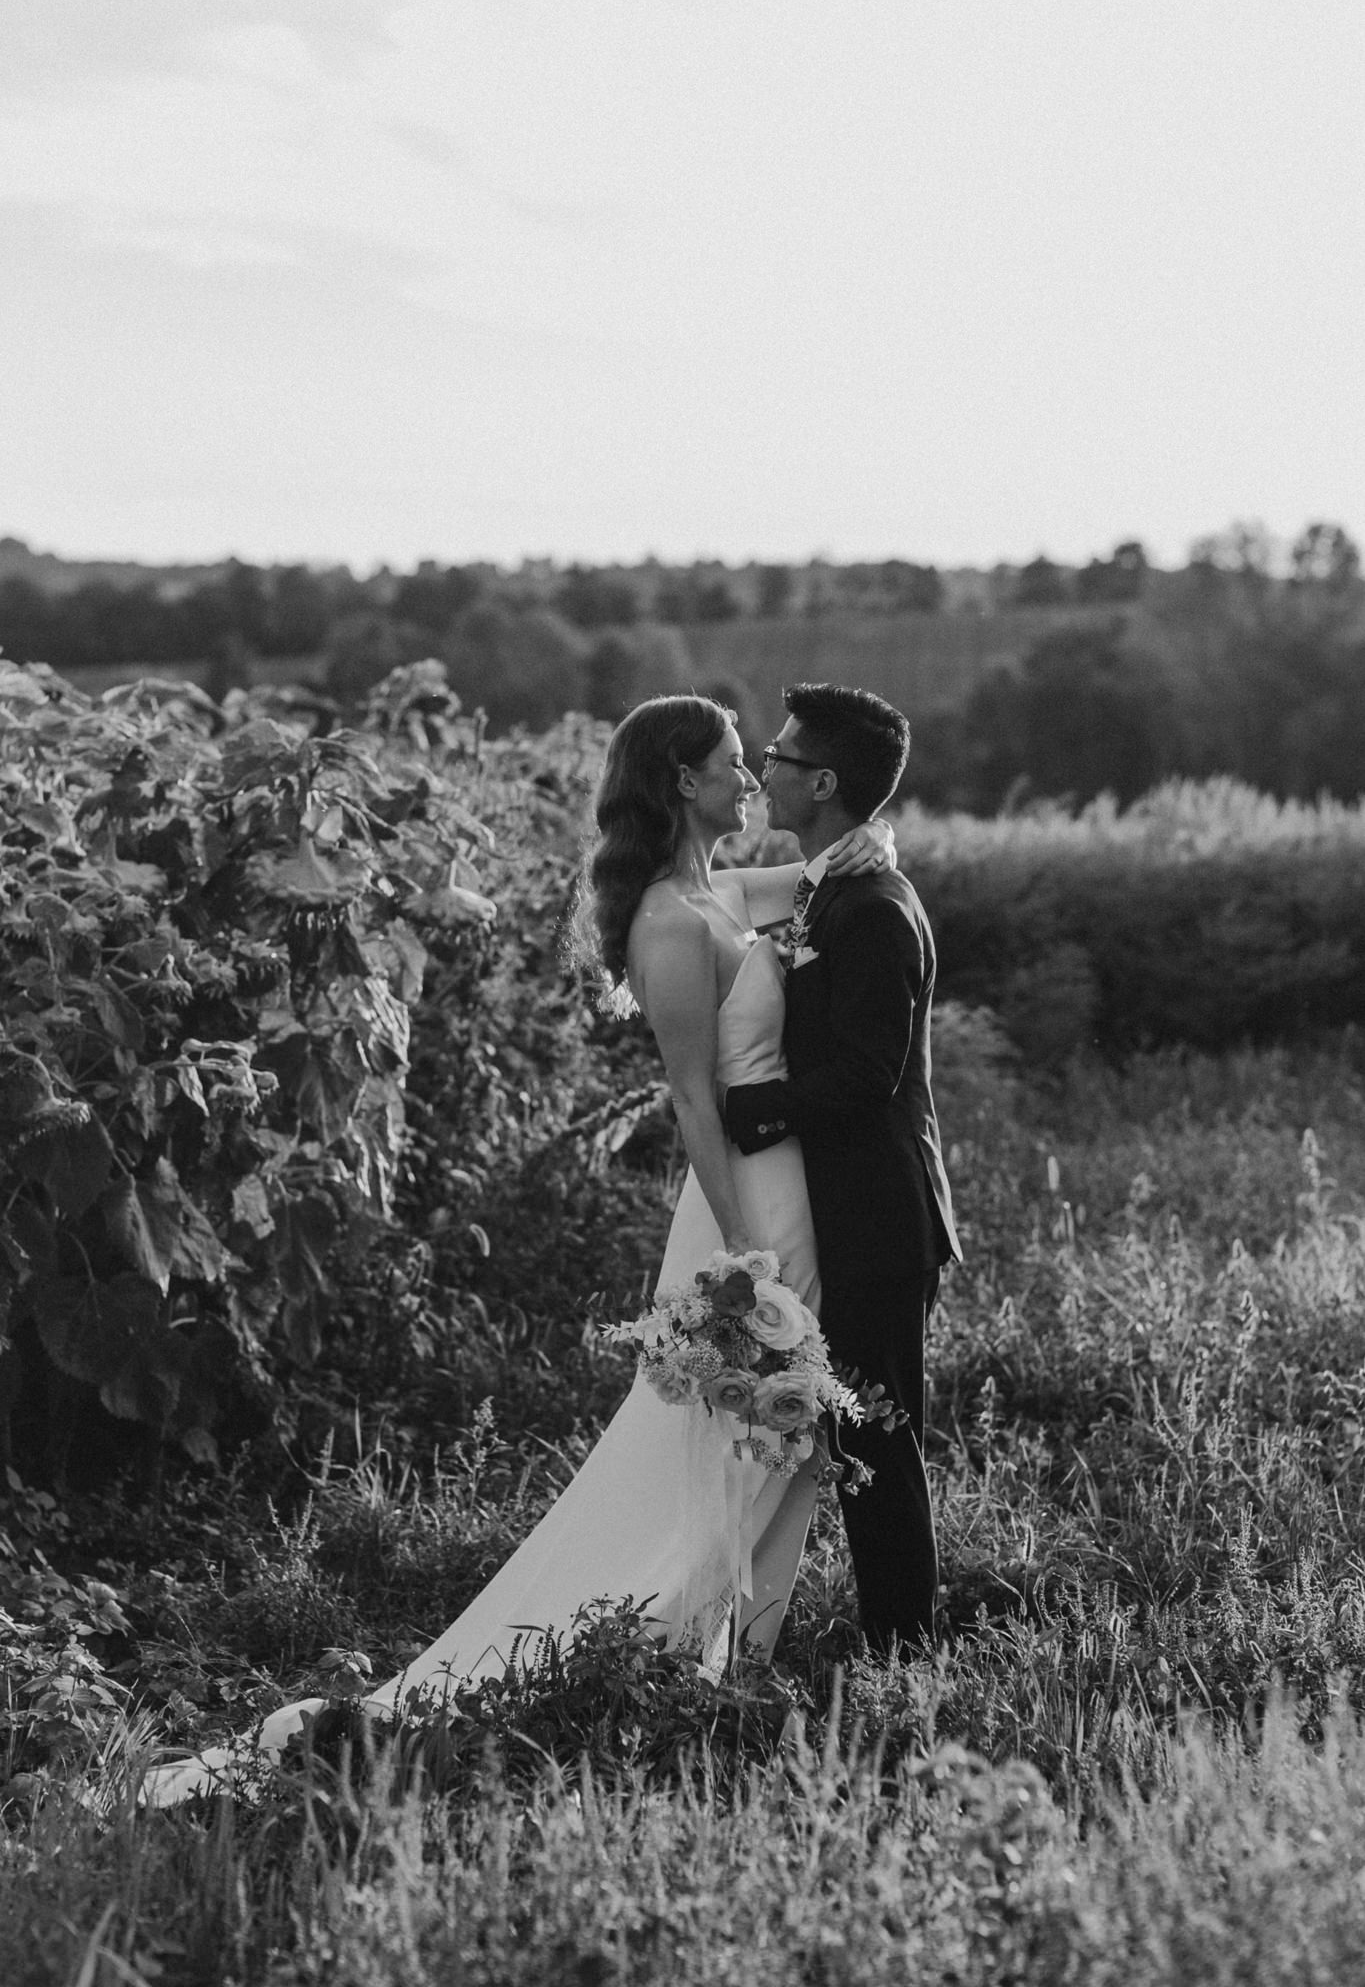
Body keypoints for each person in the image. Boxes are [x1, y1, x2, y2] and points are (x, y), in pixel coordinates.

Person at [141, 694, 890, 1805]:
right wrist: (742, 1252)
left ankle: (727, 1644)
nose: (750, 781)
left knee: (776, 1429)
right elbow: (689, 1095)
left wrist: (875, 821)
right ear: (684, 781)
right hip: (742, 1209)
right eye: (735, 764)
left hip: (786, 1191)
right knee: (721, 1428)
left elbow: (842, 876)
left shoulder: (716, 894)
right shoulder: (673, 924)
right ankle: (648, 1636)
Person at [724, 683, 961, 1656]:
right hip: (851, 1206)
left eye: (779, 754)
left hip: (880, 1213)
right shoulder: (838, 883)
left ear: (821, 780)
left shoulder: (871, 908)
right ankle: (896, 1629)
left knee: (880, 1431)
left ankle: (908, 1646)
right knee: (859, 1425)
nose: (763, 766)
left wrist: (752, 1105)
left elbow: (869, 1074)